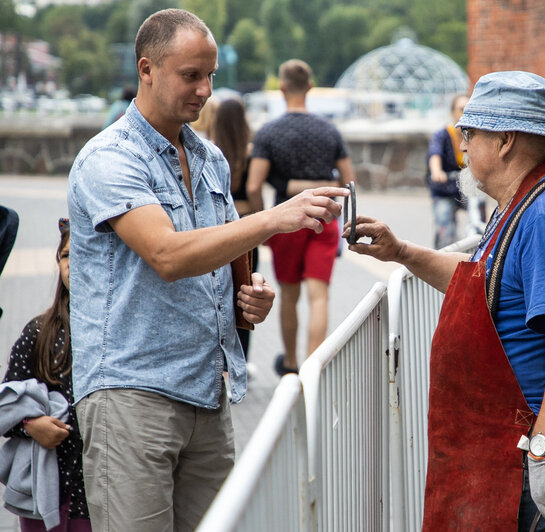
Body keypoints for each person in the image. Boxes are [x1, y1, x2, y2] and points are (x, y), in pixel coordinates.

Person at [67, 9, 346, 531]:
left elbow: (222, 257)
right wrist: (272, 219)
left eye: (210, 75)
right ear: (146, 69)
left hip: (207, 392)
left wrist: (250, 294)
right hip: (132, 395)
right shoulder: (109, 157)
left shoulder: (211, 158)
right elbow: (168, 255)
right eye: (190, 75)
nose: (204, 90)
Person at [345, 71, 545, 531]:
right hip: (507, 446)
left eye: (469, 133)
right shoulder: (522, 204)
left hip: (529, 452)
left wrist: (544, 450)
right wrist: (402, 253)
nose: (463, 145)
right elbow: (483, 283)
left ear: (505, 140)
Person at [248, 59, 356, 376]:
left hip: (287, 222)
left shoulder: (268, 132)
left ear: (282, 87)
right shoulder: (330, 130)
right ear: (309, 87)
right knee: (318, 296)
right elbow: (350, 181)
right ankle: (313, 368)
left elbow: (254, 185)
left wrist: (261, 224)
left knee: (289, 295)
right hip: (325, 219)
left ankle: (291, 365)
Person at [1, 218, 92, 532]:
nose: (74, 264)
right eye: (67, 256)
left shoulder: (119, 334)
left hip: (98, 494)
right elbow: (7, 403)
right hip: (47, 492)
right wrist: (30, 425)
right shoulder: (38, 333)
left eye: (85, 254)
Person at [209, 97, 258, 360]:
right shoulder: (251, 154)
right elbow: (253, 194)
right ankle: (243, 359)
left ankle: (221, 358)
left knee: (221, 292)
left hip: (218, 232)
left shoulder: (211, 154)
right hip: (247, 232)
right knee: (246, 297)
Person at [426, 94, 470, 248]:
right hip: (444, 188)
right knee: (445, 224)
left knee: (482, 221)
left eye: (469, 109)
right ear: (453, 112)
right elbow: (434, 154)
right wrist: (437, 171)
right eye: (461, 109)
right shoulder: (442, 136)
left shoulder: (475, 136)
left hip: (468, 189)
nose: (465, 113)